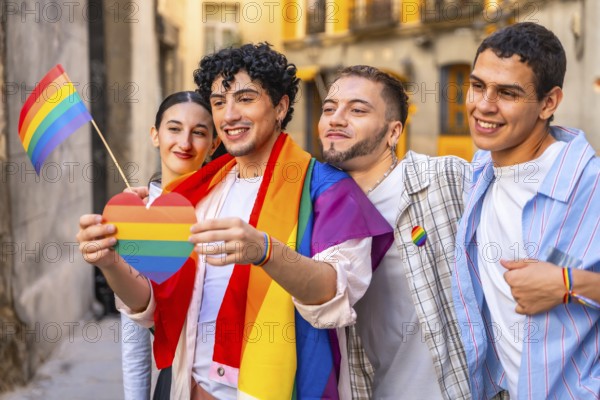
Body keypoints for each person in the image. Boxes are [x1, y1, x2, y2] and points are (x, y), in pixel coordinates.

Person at [77, 43, 393, 400]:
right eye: (218, 102)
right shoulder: (197, 192)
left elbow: (336, 294)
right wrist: (110, 263)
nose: (228, 115)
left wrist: (265, 250)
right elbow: (153, 305)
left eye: (244, 99)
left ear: (280, 107)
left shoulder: (328, 190)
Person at [451, 22, 600, 399]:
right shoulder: (482, 169)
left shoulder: (590, 185)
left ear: (548, 103)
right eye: (478, 86)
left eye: (508, 93)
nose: (484, 105)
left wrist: (567, 284)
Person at [317, 65, 471, 399]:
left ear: (393, 132)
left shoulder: (445, 180)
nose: (336, 118)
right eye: (329, 109)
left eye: (357, 110)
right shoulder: (316, 210)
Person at [118, 91, 220, 400]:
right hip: (173, 378)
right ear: (155, 135)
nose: (185, 143)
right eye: (174, 129)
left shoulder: (226, 206)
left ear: (214, 144)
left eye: (199, 133)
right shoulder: (136, 216)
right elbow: (134, 335)